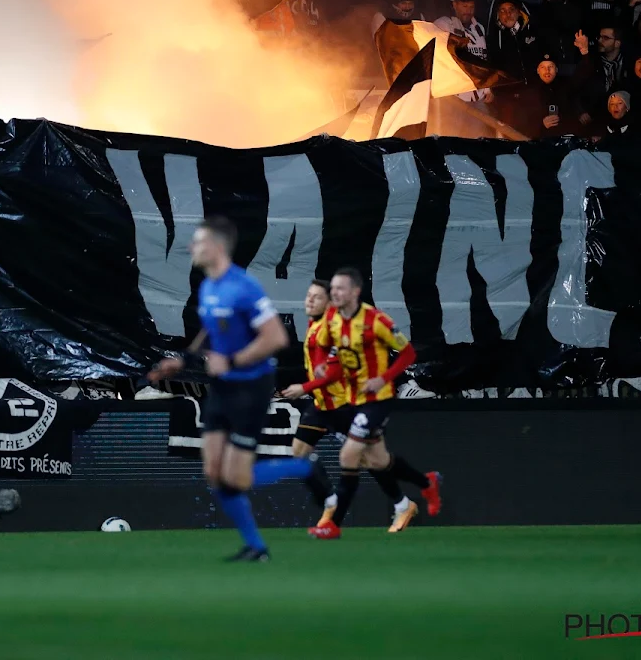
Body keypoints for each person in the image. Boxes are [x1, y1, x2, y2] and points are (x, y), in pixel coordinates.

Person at [148, 217, 313, 562]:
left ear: (217, 248)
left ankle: (305, 468)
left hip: (251, 388)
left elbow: (276, 338)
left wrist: (234, 361)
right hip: (223, 388)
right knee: (214, 474)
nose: (192, 248)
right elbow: (211, 330)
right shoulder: (209, 286)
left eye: (198, 242)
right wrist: (184, 360)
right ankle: (256, 547)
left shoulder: (244, 286)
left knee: (235, 478)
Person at [306, 267, 442, 539]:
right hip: (353, 399)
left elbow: (408, 353)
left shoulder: (376, 320)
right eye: (333, 289)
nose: (335, 293)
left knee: (348, 455)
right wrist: (322, 368)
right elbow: (325, 349)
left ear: (355, 292)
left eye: (340, 289)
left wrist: (384, 378)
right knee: (378, 461)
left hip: (377, 400)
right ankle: (426, 482)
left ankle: (333, 525)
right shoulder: (332, 321)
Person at [279, 281, 417, 533]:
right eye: (308, 295)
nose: (309, 301)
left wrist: (304, 387)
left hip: (343, 404)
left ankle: (402, 503)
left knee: (370, 460)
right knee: (299, 451)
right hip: (322, 404)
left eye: (316, 297)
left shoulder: (335, 330)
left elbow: (335, 371)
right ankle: (330, 501)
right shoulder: (314, 324)